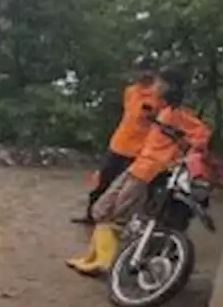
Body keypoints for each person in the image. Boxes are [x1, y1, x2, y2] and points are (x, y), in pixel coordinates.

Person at [67, 67, 211, 276]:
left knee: (117, 215)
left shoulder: (177, 114)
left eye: (159, 83)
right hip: (138, 166)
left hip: (149, 171)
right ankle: (95, 258)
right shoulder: (160, 109)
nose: (155, 86)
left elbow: (202, 134)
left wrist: (187, 148)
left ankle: (107, 262)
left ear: (168, 87)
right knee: (101, 209)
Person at [74, 56, 161, 224]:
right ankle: (91, 216)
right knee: (102, 181)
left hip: (138, 151)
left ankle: (120, 222)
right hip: (118, 145)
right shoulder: (130, 91)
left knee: (127, 191)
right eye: (137, 69)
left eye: (144, 70)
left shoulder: (158, 96)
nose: (139, 74)